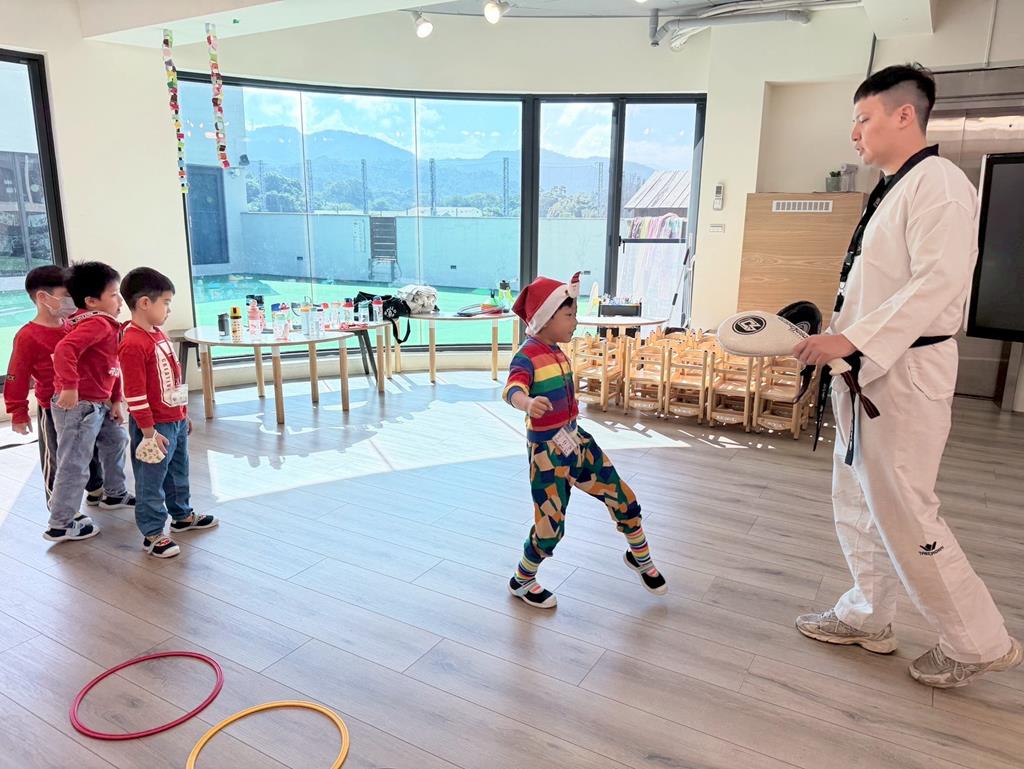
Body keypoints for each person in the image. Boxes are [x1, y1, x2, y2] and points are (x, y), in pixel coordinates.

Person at [793, 64, 1021, 688]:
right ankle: (868, 615)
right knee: (855, 498)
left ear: (903, 115)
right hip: (864, 370)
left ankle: (978, 642)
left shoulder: (940, 185)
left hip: (905, 371)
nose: (854, 133)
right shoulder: (895, 186)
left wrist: (851, 339)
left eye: (863, 119)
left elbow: (937, 284)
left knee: (906, 511)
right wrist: (833, 340)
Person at [504, 271, 666, 608]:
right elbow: (512, 389)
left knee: (623, 497)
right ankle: (522, 580)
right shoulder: (527, 356)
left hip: (576, 441)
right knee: (549, 529)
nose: (575, 322)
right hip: (547, 456)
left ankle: (640, 557)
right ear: (546, 318)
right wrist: (528, 403)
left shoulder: (558, 351)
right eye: (569, 315)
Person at [118, 267, 216, 558]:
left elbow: (171, 379)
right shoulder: (132, 343)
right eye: (166, 302)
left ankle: (182, 515)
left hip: (174, 419)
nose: (169, 309)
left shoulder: (157, 334)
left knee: (178, 471)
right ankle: (152, 533)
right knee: (151, 479)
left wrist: (183, 413)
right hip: (154, 427)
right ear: (144, 303)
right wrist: (149, 432)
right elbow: (134, 394)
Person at [4, 266, 105, 514]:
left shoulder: (74, 325)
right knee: (59, 456)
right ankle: (59, 508)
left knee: (92, 448)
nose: (72, 301)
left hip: (87, 403)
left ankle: (96, 488)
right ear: (43, 297)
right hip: (54, 408)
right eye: (67, 295)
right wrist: (18, 412)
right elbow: (16, 375)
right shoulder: (28, 336)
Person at [46, 262, 135, 543]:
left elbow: (112, 366)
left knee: (116, 439)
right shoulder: (96, 323)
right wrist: (70, 386)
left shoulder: (103, 324)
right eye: (114, 295)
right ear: (92, 301)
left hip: (100, 403)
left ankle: (115, 493)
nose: (120, 301)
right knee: (74, 462)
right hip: (79, 406)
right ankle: (60, 523)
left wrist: (116, 401)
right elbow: (65, 350)